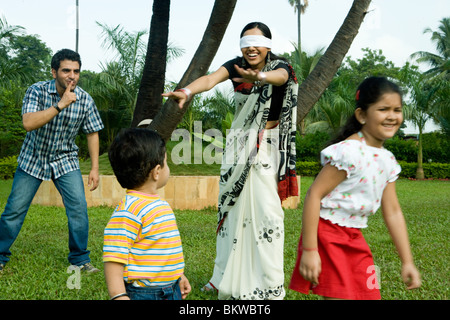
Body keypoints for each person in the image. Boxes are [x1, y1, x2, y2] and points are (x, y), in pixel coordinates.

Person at [163, 22, 298, 300]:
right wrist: (187, 92)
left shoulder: (280, 66)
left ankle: (270, 283)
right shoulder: (235, 66)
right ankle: (221, 276)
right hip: (238, 144)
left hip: (267, 145)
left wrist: (262, 76)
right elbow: (211, 79)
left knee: (267, 214)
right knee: (230, 212)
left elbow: (282, 78)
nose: (250, 47)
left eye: (257, 42)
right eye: (245, 41)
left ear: (268, 46)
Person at [289, 76, 422, 300]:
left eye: (397, 110)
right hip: (327, 235)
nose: (391, 116)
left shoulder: (387, 159)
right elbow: (314, 195)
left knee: (369, 294)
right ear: (362, 115)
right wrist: (310, 251)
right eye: (383, 109)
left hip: (354, 236)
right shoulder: (349, 152)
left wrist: (407, 261)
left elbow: (393, 212)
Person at [0, 49, 104, 273]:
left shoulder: (85, 99)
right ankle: (0, 256)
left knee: (78, 209)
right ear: (54, 71)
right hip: (33, 158)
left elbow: (92, 132)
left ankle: (80, 260)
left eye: (76, 71)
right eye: (66, 70)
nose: (72, 76)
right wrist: (61, 104)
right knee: (14, 210)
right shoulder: (37, 91)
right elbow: (28, 123)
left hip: (65, 160)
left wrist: (94, 168)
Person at [103, 128, 191, 300]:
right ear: (156, 171)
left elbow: (165, 249)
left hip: (171, 289)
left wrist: (178, 276)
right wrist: (119, 295)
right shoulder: (128, 212)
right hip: (144, 294)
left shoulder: (159, 204)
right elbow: (113, 258)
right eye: (166, 162)